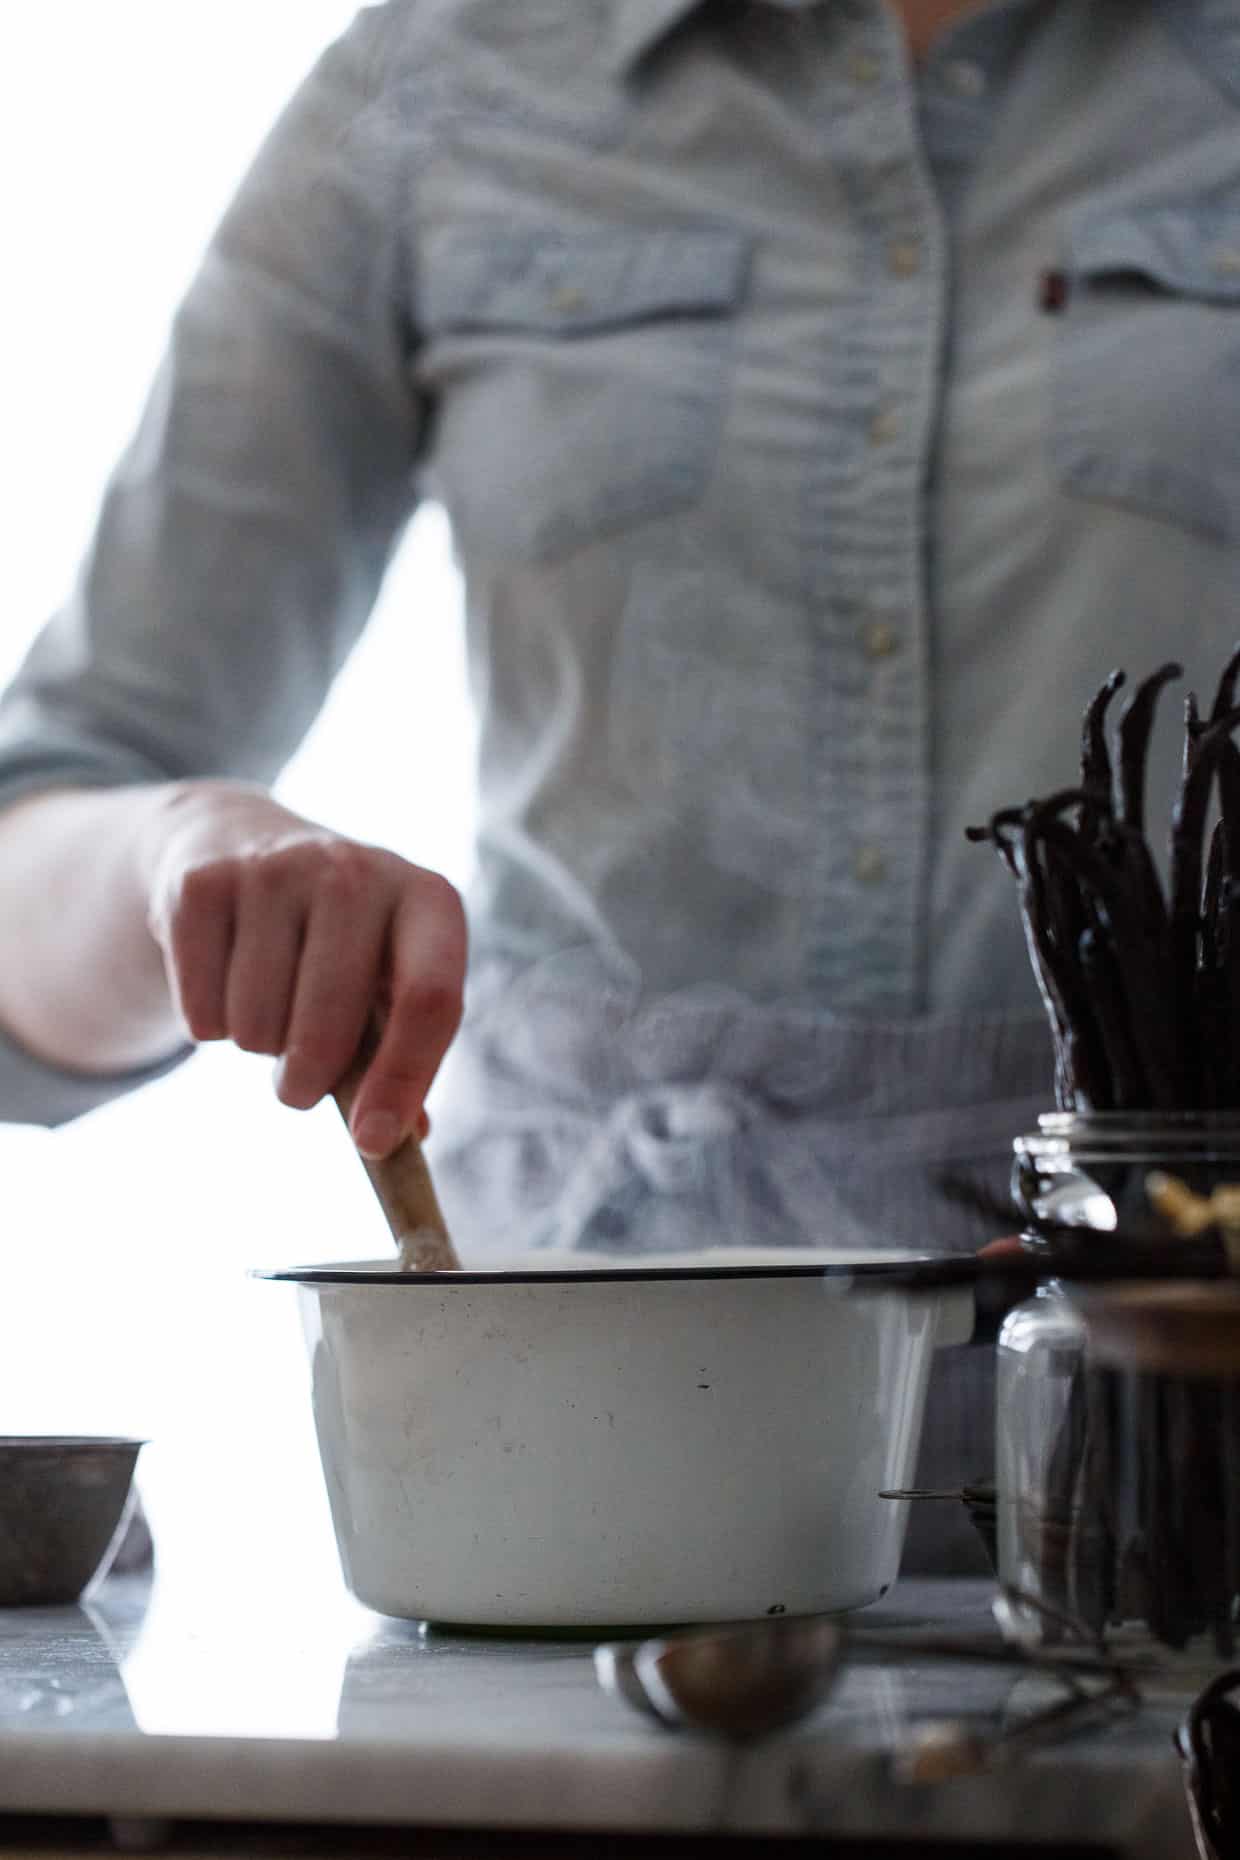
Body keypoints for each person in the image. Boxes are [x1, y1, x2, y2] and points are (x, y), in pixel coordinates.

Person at [0, 0, 1235, 1571]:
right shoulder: (446, 78)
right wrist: (178, 855)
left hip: (1177, 1458)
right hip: (554, 1478)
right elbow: (34, 858)